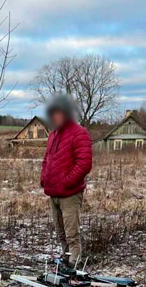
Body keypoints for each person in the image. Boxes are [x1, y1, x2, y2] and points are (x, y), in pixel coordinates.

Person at [39, 95, 93, 273]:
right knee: (60, 230)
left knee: (71, 232)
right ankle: (66, 258)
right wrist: (44, 179)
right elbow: (47, 159)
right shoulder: (53, 134)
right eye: (53, 114)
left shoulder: (79, 133)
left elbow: (84, 163)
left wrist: (66, 182)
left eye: (58, 113)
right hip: (53, 192)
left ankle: (75, 263)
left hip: (69, 193)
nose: (55, 117)